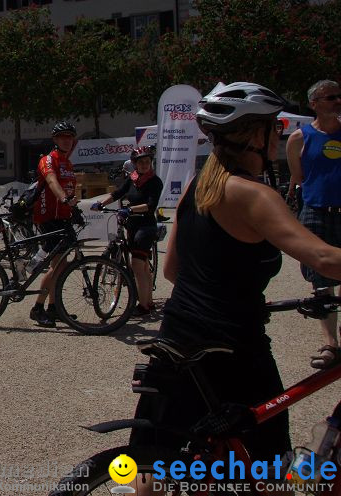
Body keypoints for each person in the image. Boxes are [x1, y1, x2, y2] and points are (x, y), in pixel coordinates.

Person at [130, 81, 341, 465]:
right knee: (270, 468)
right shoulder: (254, 195)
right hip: (234, 349)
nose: (279, 136)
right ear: (253, 135)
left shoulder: (198, 185)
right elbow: (323, 258)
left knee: (157, 459)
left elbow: (174, 271)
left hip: (177, 337)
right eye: (274, 127)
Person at [286, 79, 341, 369]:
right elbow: (299, 175)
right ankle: (330, 343)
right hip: (316, 210)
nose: (337, 101)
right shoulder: (300, 138)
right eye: (330, 98)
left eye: (338, 96)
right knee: (321, 281)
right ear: (314, 104)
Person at [92, 145, 162, 315]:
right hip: (131, 225)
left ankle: (143, 306)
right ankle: (149, 302)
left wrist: (130, 210)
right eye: (141, 162)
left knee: (137, 265)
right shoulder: (132, 179)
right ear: (135, 164)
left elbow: (151, 206)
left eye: (147, 162)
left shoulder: (155, 181)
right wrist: (101, 204)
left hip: (145, 226)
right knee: (143, 266)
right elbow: (117, 193)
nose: (144, 165)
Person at [29, 121, 80, 328]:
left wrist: (73, 206)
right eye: (63, 137)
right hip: (48, 217)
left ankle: (54, 307)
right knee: (57, 265)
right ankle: (37, 308)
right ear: (55, 140)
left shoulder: (68, 164)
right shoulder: (48, 160)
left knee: (61, 265)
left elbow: (68, 188)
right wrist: (63, 198)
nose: (67, 140)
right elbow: (51, 181)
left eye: (70, 137)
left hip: (62, 217)